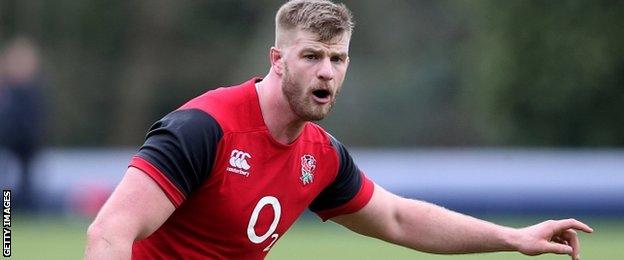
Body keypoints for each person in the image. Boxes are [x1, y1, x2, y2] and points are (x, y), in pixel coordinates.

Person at [84, 1, 592, 259]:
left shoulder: (320, 156)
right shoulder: (203, 129)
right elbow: (108, 233)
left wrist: (513, 237)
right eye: (311, 56)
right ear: (277, 61)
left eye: (337, 58)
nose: (327, 71)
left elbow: (396, 218)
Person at [0, 36, 45, 212]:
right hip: (8, 145)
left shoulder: (32, 92)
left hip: (26, 147)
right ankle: (9, 215)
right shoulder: (8, 90)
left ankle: (17, 214)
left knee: (25, 187)